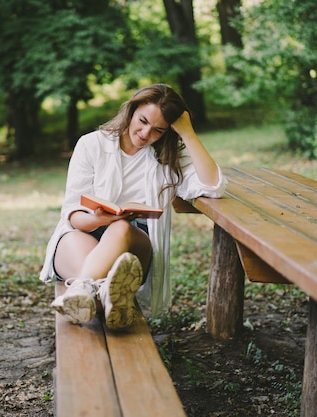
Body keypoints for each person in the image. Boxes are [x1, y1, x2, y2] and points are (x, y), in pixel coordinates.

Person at [39, 84, 227, 330]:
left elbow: (213, 186)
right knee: (81, 242)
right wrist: (100, 220)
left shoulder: (168, 158)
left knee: (121, 229)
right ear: (132, 109)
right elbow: (74, 216)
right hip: (85, 231)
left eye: (158, 130)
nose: (145, 133)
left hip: (132, 246)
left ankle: (87, 288)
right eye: (143, 121)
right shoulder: (91, 145)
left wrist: (188, 133)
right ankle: (103, 294)